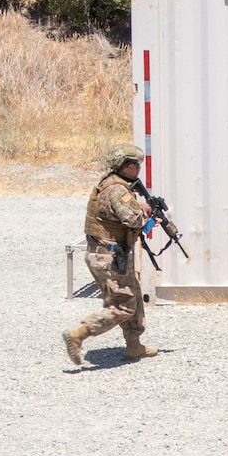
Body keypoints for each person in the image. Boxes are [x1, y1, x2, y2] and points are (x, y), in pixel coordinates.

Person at [63, 143, 159, 366]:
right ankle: (79, 334)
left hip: (107, 253)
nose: (140, 169)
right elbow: (132, 219)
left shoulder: (111, 183)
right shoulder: (117, 190)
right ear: (128, 166)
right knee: (122, 305)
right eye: (137, 165)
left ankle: (134, 346)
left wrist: (140, 206)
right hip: (110, 257)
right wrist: (149, 215)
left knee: (132, 293)